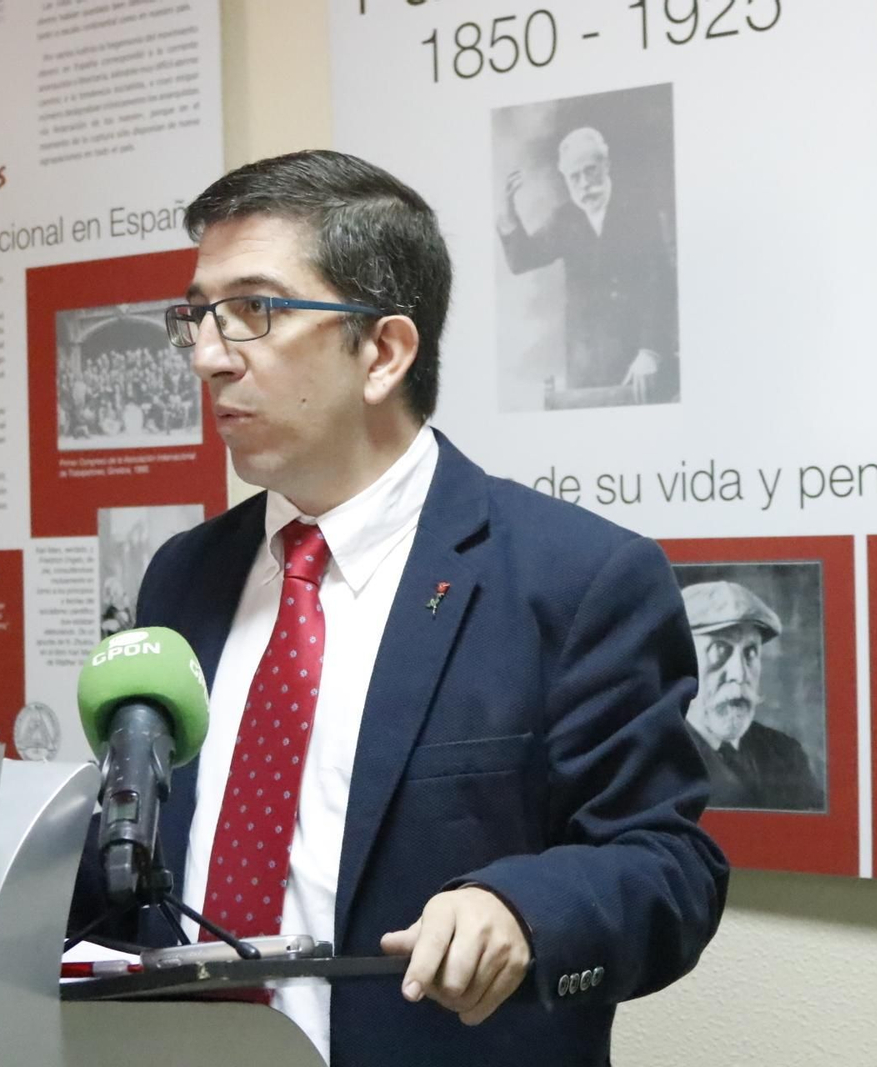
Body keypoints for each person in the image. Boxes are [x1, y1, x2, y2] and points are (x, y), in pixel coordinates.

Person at [71, 150, 726, 1066]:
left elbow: (670, 867)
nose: (209, 357)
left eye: (253, 312)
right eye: (198, 317)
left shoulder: (575, 578)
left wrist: (521, 909)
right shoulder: (183, 576)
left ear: (382, 351)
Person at [496, 127, 677, 403]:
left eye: (590, 171)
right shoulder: (564, 219)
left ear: (607, 165)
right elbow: (522, 259)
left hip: (640, 361)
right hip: (588, 363)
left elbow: (661, 285)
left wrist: (650, 352)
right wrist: (509, 214)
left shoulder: (641, 210)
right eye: (574, 177)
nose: (584, 184)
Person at [679, 581, 824, 812]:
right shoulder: (657, 754)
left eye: (750, 652)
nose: (739, 674)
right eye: (720, 649)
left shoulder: (785, 754)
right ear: (681, 660)